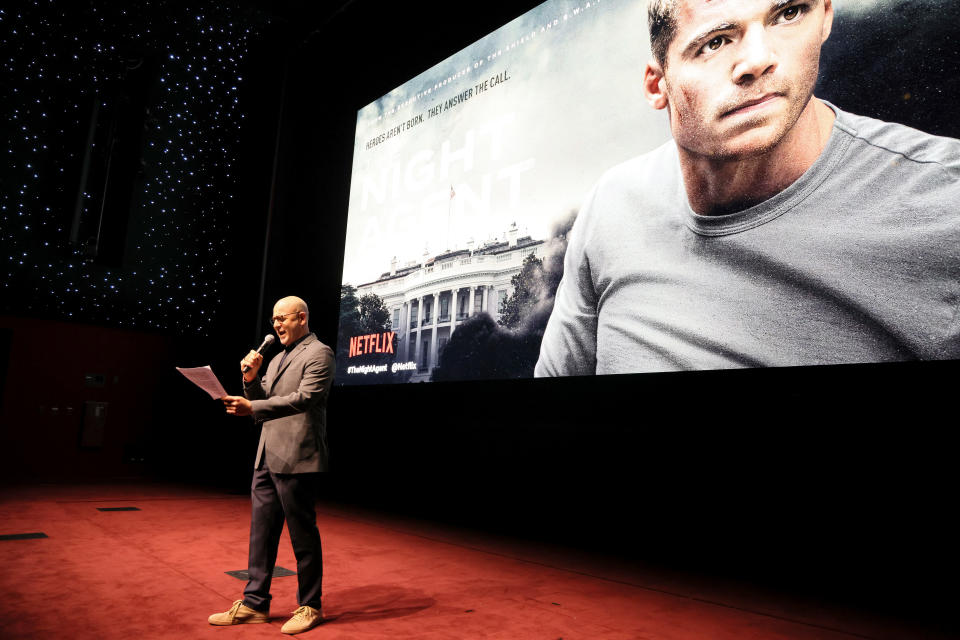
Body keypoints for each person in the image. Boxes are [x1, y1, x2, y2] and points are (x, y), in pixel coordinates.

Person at [535, 0, 960, 377]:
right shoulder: (612, 206)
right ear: (657, 84)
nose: (758, 60)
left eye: (788, 13)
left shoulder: (945, 201)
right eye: (715, 42)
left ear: (825, 15)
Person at [210, 296, 335, 635]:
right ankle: (254, 604)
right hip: (267, 455)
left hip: (298, 456)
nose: (276, 325)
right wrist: (250, 378)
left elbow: (305, 399)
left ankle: (310, 605)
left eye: (283, 318)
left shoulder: (319, 353)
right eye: (274, 319)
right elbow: (260, 400)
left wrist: (253, 407)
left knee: (302, 536)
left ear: (302, 318)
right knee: (261, 535)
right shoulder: (278, 357)